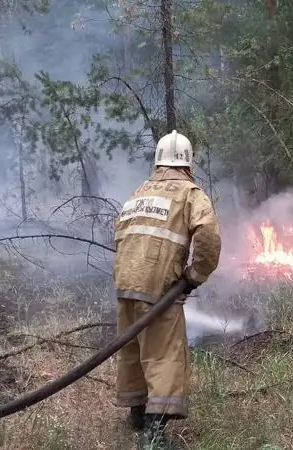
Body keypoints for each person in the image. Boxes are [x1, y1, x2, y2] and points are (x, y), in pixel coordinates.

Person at [112, 130, 222, 448]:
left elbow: (121, 232)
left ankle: (134, 415)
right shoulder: (190, 193)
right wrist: (194, 275)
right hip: (159, 288)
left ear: (158, 160)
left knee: (133, 350)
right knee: (163, 355)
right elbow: (209, 235)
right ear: (188, 163)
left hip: (125, 282)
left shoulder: (139, 192)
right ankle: (154, 434)